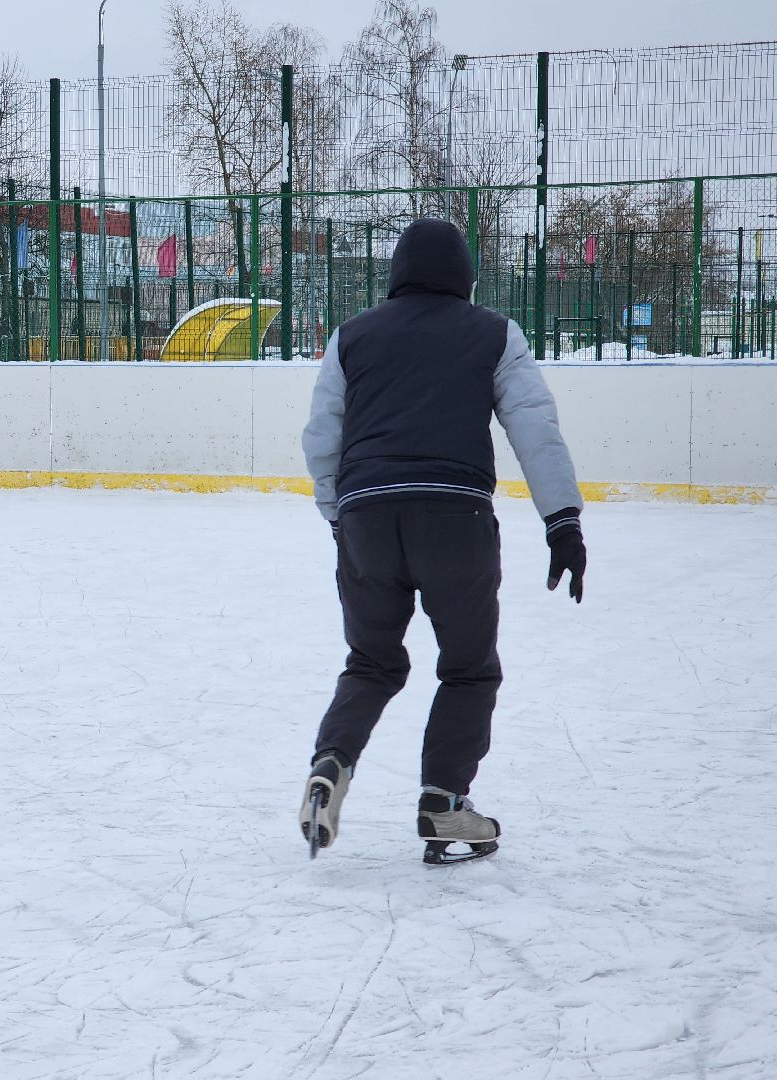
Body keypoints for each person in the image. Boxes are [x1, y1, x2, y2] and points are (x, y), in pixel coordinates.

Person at [299, 218, 587, 865]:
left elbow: (322, 438)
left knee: (372, 663)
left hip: (368, 516)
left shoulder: (354, 335)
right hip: (455, 520)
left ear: (395, 272)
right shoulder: (492, 334)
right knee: (468, 667)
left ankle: (329, 765)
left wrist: (340, 516)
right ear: (465, 275)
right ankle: (443, 802)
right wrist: (561, 519)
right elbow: (533, 427)